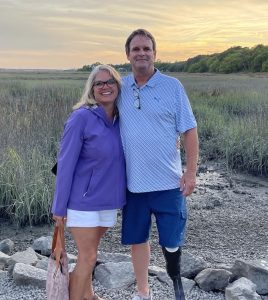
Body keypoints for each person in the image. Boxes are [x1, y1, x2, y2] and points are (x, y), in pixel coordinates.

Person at [117, 29, 199, 300]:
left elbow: (189, 130)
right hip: (134, 184)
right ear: (128, 54)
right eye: (136, 49)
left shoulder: (172, 86)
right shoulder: (120, 87)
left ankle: (176, 282)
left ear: (155, 53)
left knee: (172, 242)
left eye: (146, 49)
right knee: (138, 240)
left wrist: (190, 172)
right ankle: (143, 292)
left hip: (168, 182)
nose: (141, 53)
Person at [52, 65, 126, 300]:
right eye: (99, 83)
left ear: (118, 86)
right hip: (82, 202)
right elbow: (65, 164)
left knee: (90, 253)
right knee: (88, 257)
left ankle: (88, 295)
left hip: (107, 201)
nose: (105, 87)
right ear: (91, 89)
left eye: (110, 81)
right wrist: (59, 209)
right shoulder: (81, 117)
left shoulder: (121, 120)